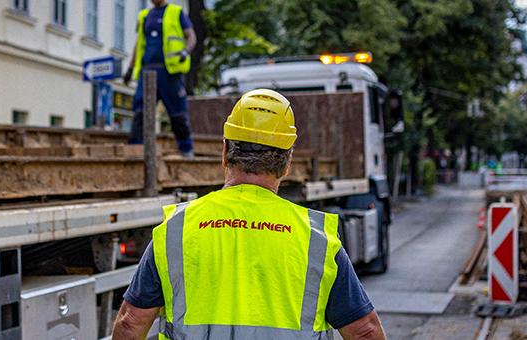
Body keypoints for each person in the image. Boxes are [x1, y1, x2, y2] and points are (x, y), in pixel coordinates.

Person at [112, 89, 387, 340]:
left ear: (224, 152)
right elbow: (364, 331)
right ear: (287, 163)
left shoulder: (178, 230)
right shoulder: (315, 240)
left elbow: (129, 324)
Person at [123, 0, 197, 158]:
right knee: (140, 110)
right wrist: (130, 68)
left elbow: (191, 36)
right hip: (147, 70)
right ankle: (136, 147)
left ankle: (186, 149)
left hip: (169, 72)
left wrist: (186, 51)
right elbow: (139, 44)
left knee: (177, 112)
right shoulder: (144, 16)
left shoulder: (176, 12)